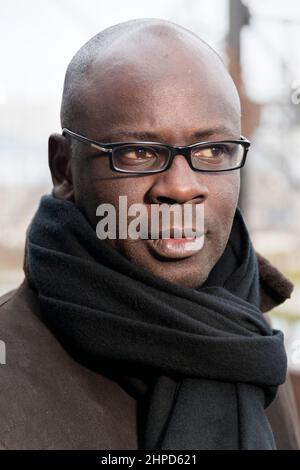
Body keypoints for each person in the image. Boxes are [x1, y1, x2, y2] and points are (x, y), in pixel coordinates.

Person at [0, 18, 299, 450]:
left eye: (213, 150)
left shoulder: (248, 334)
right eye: (138, 152)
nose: (180, 188)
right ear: (64, 168)